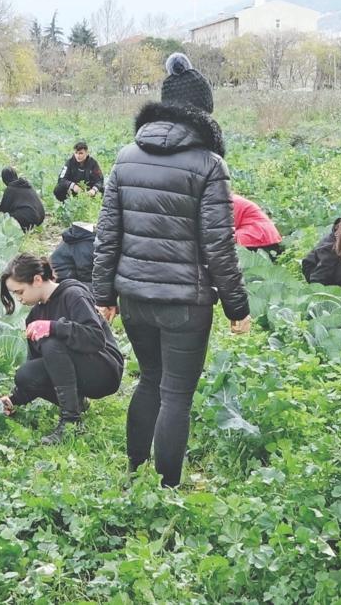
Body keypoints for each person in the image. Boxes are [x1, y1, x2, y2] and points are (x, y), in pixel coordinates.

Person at [93, 52, 251, 488]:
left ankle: (133, 470)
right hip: (186, 303)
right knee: (176, 395)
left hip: (135, 299)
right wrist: (237, 307)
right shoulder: (208, 165)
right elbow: (219, 244)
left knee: (149, 381)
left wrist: (103, 295)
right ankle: (167, 487)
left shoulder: (126, 157)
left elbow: (108, 234)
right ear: (203, 114)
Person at [0, 253, 123, 444]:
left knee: (51, 341)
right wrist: (13, 399)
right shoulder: (34, 316)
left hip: (104, 370)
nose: (19, 299)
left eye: (19, 292)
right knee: (25, 374)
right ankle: (77, 403)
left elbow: (96, 338)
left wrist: (54, 327)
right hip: (78, 371)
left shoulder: (73, 294)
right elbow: (38, 367)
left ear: (37, 280)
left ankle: (70, 422)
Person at [231, 194, 284, 261]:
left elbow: (229, 227)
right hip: (269, 237)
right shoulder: (232, 199)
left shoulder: (231, 202)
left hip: (257, 235)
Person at [0, 166, 45, 232]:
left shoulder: (10, 189)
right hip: (40, 216)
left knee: (7, 217)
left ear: (4, 179)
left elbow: (4, 209)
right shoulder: (26, 185)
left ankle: (24, 229)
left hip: (30, 219)